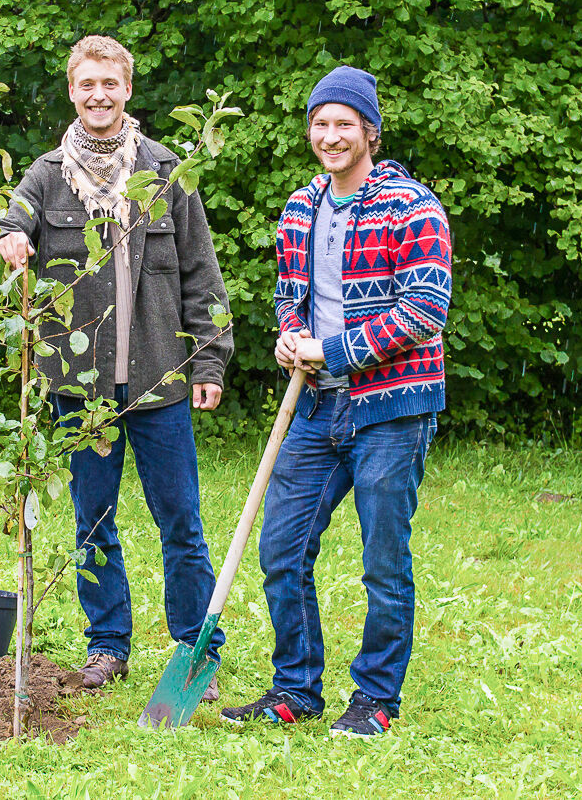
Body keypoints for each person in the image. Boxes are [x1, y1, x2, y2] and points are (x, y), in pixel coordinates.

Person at [0, 35, 233, 698]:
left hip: (160, 380)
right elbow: (9, 223)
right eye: (86, 84)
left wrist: (209, 360)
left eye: (109, 84)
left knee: (180, 521)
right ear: (71, 90)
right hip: (77, 389)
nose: (98, 96)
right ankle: (107, 646)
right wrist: (7, 239)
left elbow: (201, 272)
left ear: (127, 89)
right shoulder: (47, 172)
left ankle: (193, 650)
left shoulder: (164, 170)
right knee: (91, 523)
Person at [220, 66, 451, 736]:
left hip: (391, 410)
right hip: (315, 407)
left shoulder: (411, 206)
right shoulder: (301, 205)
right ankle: (295, 688)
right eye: (320, 124)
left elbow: (423, 310)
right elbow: (289, 298)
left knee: (382, 561)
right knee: (281, 550)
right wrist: (290, 339)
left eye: (343, 123)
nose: (330, 135)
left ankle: (375, 699)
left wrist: (333, 349)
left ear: (369, 132)